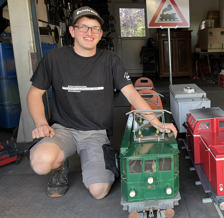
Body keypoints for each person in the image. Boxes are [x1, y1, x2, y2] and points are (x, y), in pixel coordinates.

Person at [27, 6, 177, 199]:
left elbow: (132, 95)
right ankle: (60, 166)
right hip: (63, 129)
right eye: (83, 27)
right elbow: (34, 94)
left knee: (99, 191)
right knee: (40, 162)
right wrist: (41, 123)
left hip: (96, 133)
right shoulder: (54, 59)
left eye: (95, 28)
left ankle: (103, 160)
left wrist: (157, 122)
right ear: (72, 31)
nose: (90, 33)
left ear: (100, 34)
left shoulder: (111, 60)